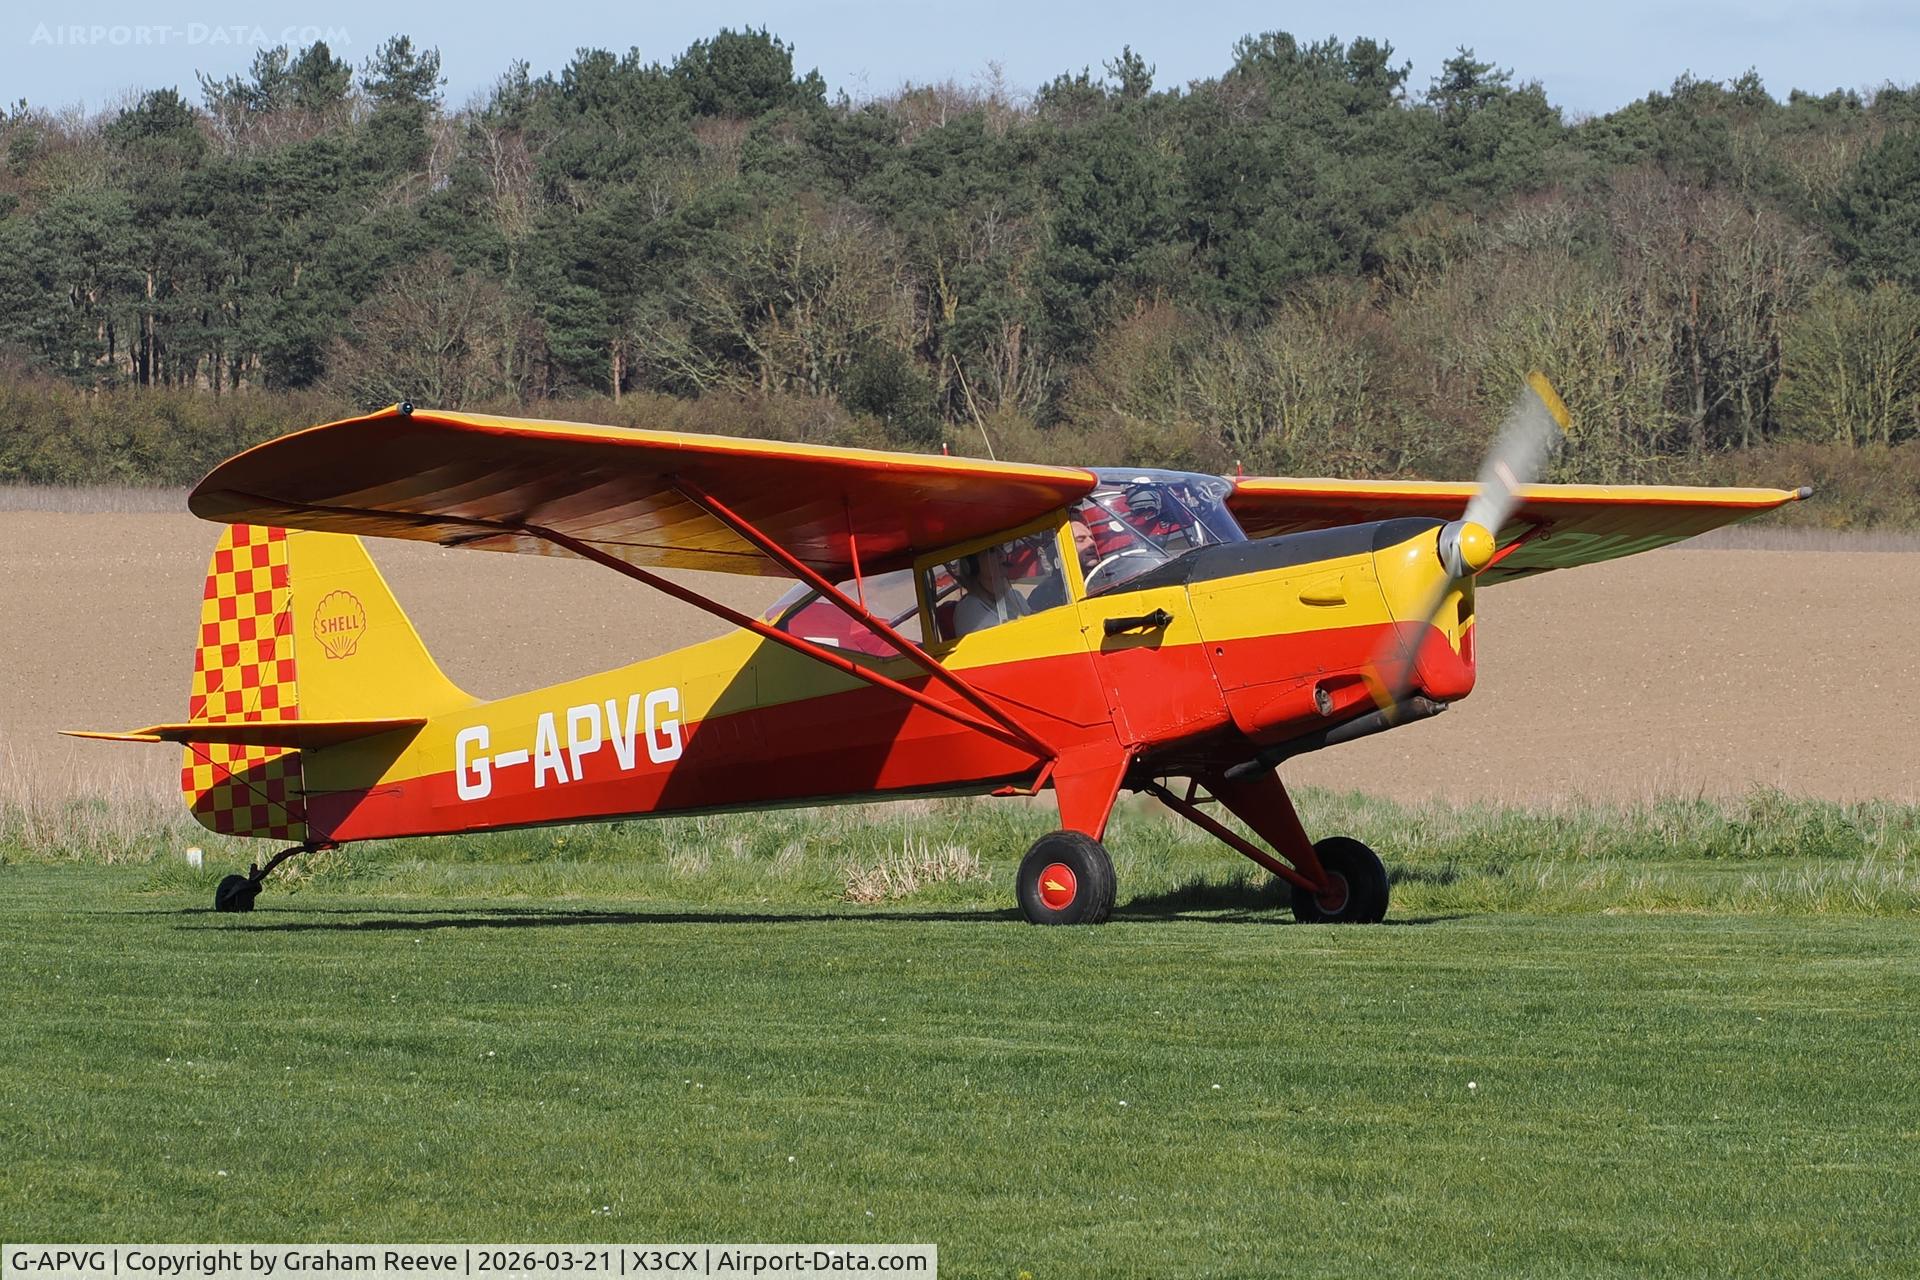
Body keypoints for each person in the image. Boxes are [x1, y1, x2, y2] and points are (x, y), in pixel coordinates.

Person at [951, 548, 1031, 637]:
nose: (1002, 555)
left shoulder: (1014, 595)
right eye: (991, 551)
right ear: (972, 566)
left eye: (1001, 548)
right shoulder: (968, 610)